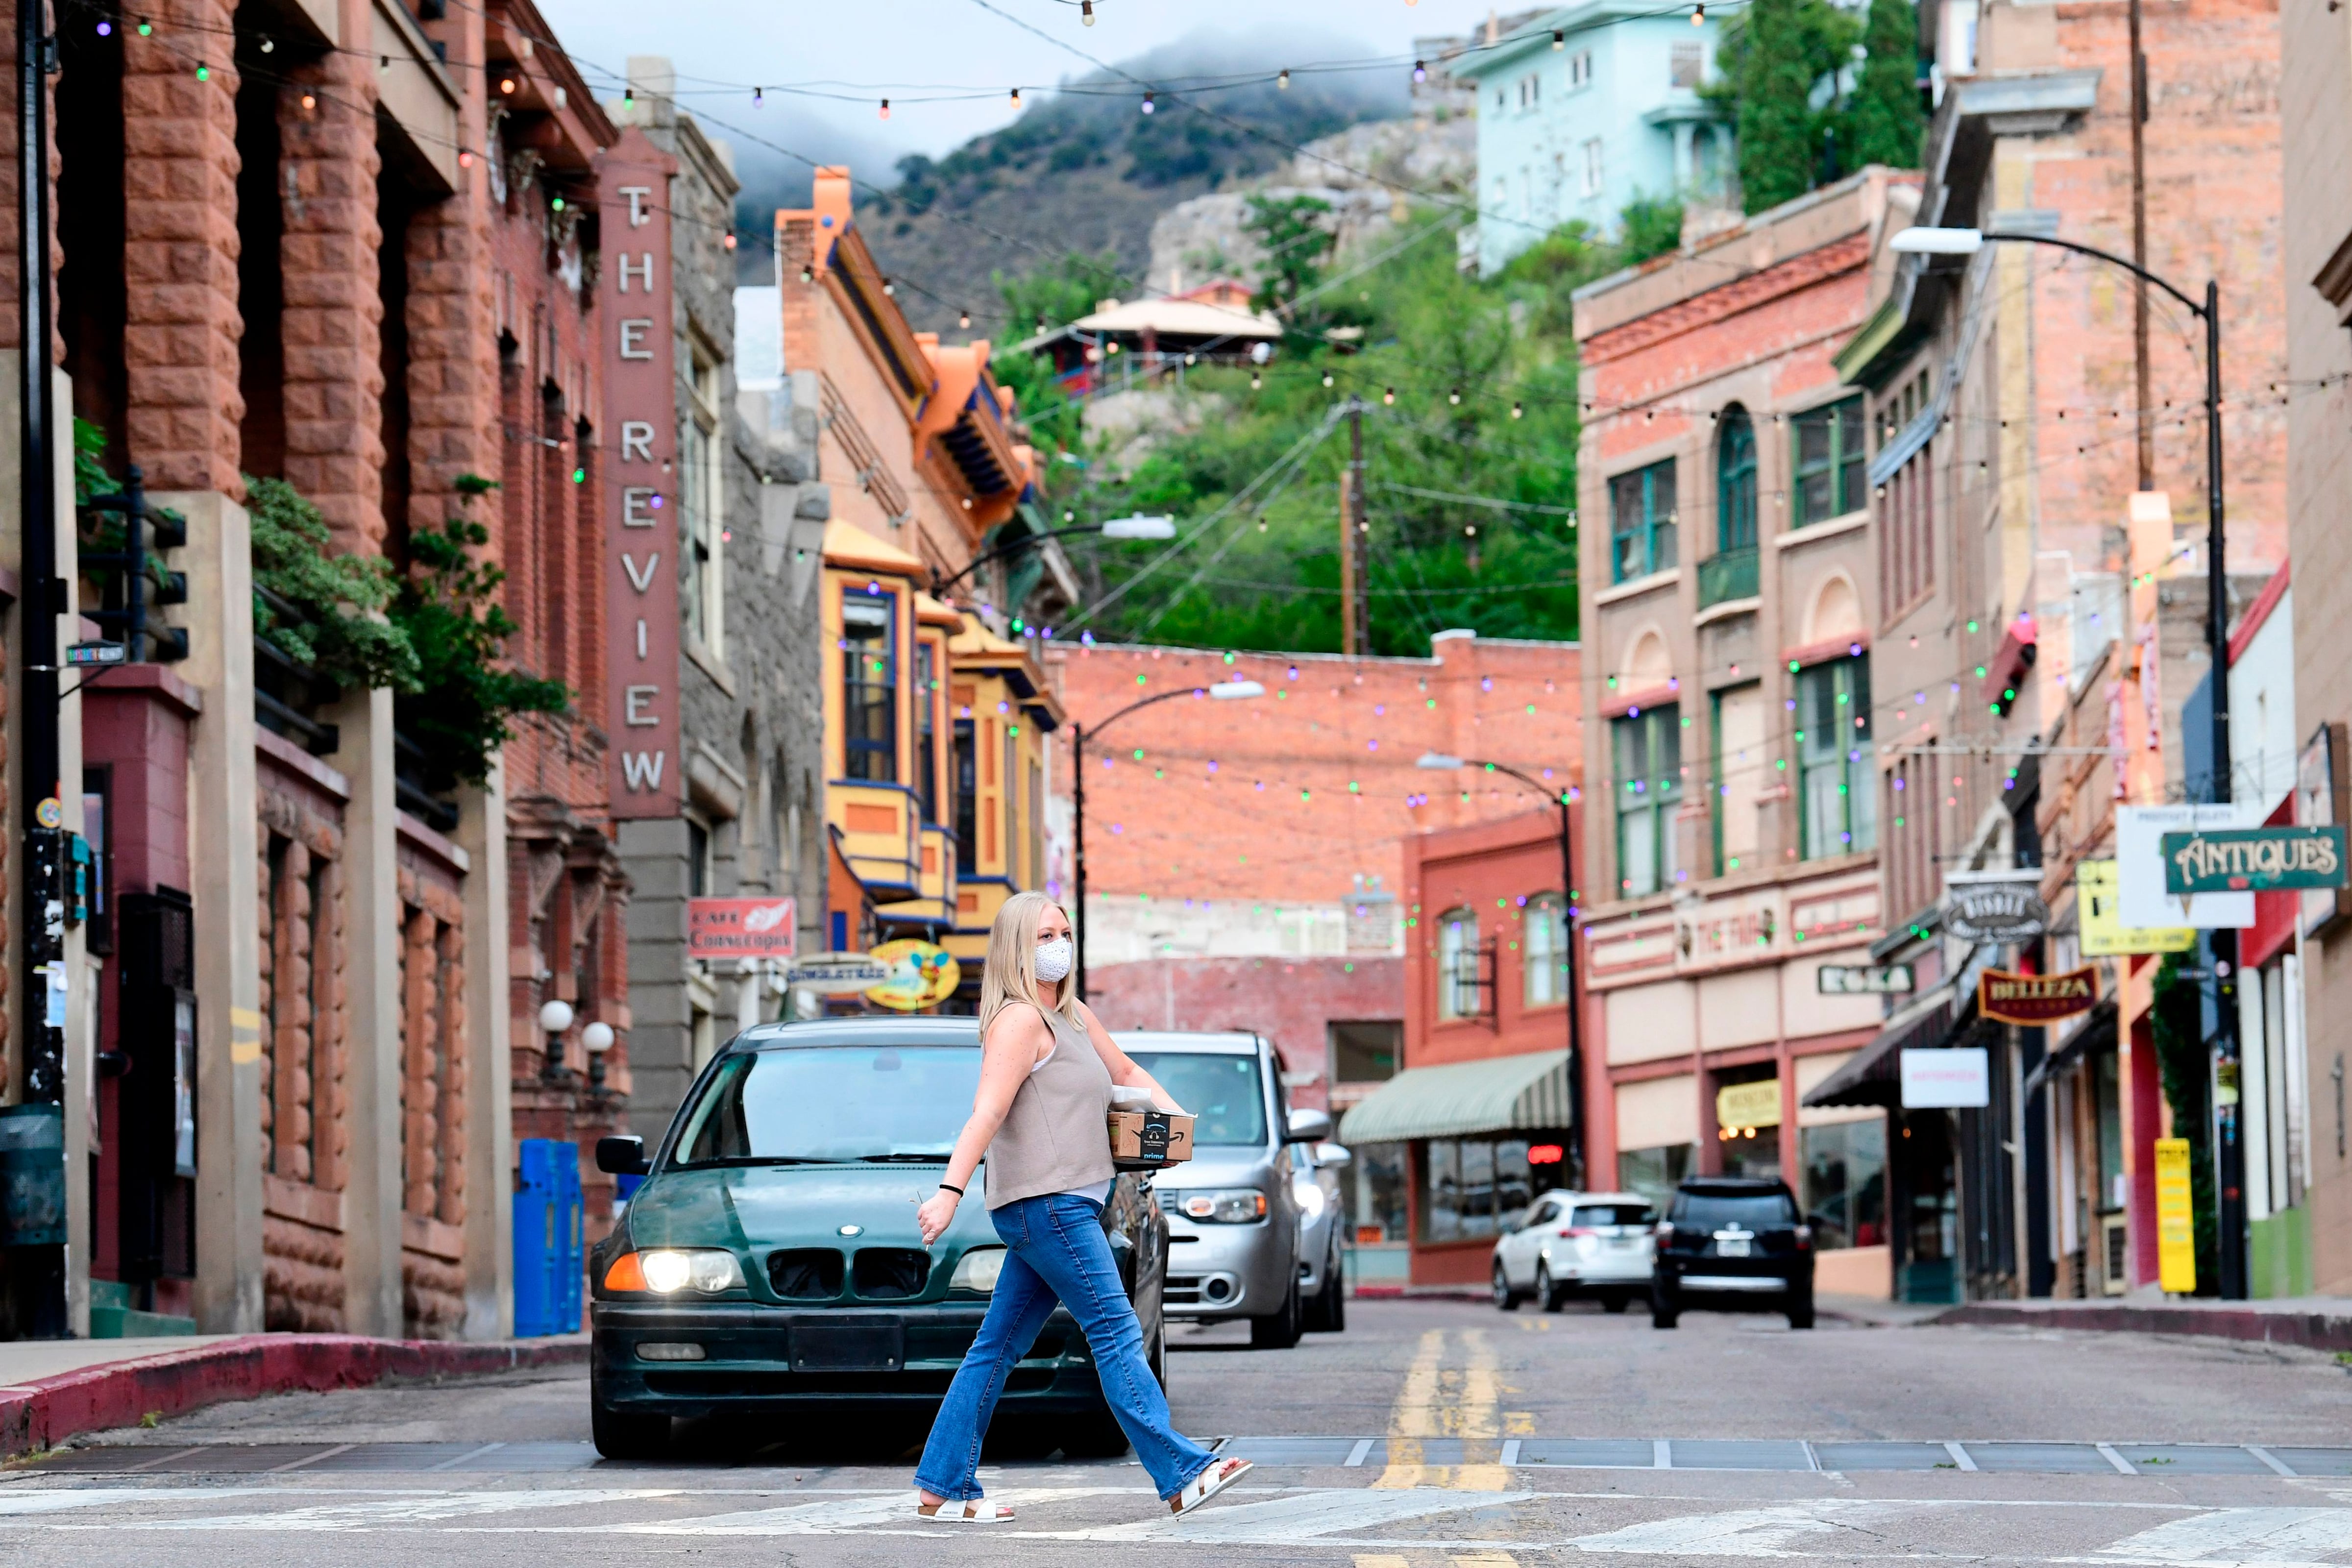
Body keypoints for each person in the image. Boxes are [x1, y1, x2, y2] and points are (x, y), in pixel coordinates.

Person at [912, 890, 1252, 1523]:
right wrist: (949, 1192)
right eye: (1044, 936)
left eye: (1063, 933)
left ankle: (942, 1484)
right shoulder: (1018, 1021)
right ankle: (1181, 1473)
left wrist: (1179, 1123)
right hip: (1050, 1207)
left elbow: (1124, 1068)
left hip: (1061, 1207)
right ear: (1017, 946)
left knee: (996, 1348)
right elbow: (986, 1113)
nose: (1058, 945)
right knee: (1118, 1332)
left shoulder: (1071, 1017)